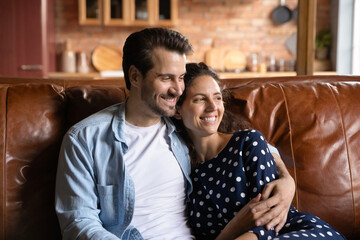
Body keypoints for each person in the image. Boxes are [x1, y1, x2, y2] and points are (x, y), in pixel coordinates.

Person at [55, 27, 294, 239]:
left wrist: (286, 179)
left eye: (180, 78)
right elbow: (78, 223)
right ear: (135, 76)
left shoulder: (182, 125)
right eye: (166, 78)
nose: (178, 89)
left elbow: (245, 145)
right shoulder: (85, 139)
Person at [174, 62, 347, 240]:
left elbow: (269, 219)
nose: (212, 107)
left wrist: (288, 179)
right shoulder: (181, 170)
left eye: (217, 98)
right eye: (200, 99)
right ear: (178, 110)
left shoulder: (247, 143)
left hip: (294, 232)